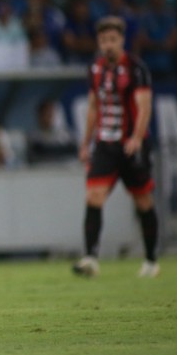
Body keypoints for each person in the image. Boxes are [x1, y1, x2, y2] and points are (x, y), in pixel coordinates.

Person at [74, 16, 160, 278]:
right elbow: (93, 107)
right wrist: (86, 143)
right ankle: (90, 258)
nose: (108, 45)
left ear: (122, 40)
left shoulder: (136, 68)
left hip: (131, 145)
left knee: (143, 200)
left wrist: (137, 137)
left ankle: (151, 260)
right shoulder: (95, 68)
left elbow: (144, 106)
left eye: (112, 40)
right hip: (105, 144)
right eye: (103, 40)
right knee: (93, 196)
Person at [27, 99, 77, 164]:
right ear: (40, 115)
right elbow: (32, 157)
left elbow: (72, 153)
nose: (50, 117)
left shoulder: (65, 135)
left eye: (52, 113)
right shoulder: (33, 136)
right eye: (47, 114)